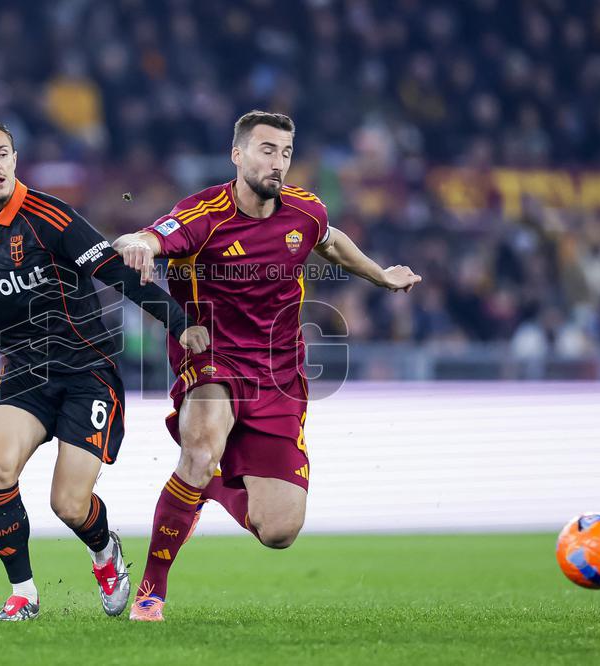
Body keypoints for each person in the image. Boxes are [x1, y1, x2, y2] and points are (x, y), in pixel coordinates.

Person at [0, 120, 210, 622]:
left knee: (68, 504)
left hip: (85, 372)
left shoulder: (52, 217)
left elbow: (116, 272)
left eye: (1, 153)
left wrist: (178, 322)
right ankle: (23, 593)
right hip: (23, 374)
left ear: (14, 158)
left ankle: (105, 553)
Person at [113, 110, 421, 621]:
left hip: (280, 375)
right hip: (212, 358)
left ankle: (207, 487)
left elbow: (331, 240)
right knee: (201, 448)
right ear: (237, 155)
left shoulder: (305, 211)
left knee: (278, 531)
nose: (278, 162)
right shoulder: (203, 214)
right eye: (266, 150)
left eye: (286, 153)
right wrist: (136, 247)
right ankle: (151, 590)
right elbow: (146, 238)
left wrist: (379, 275)